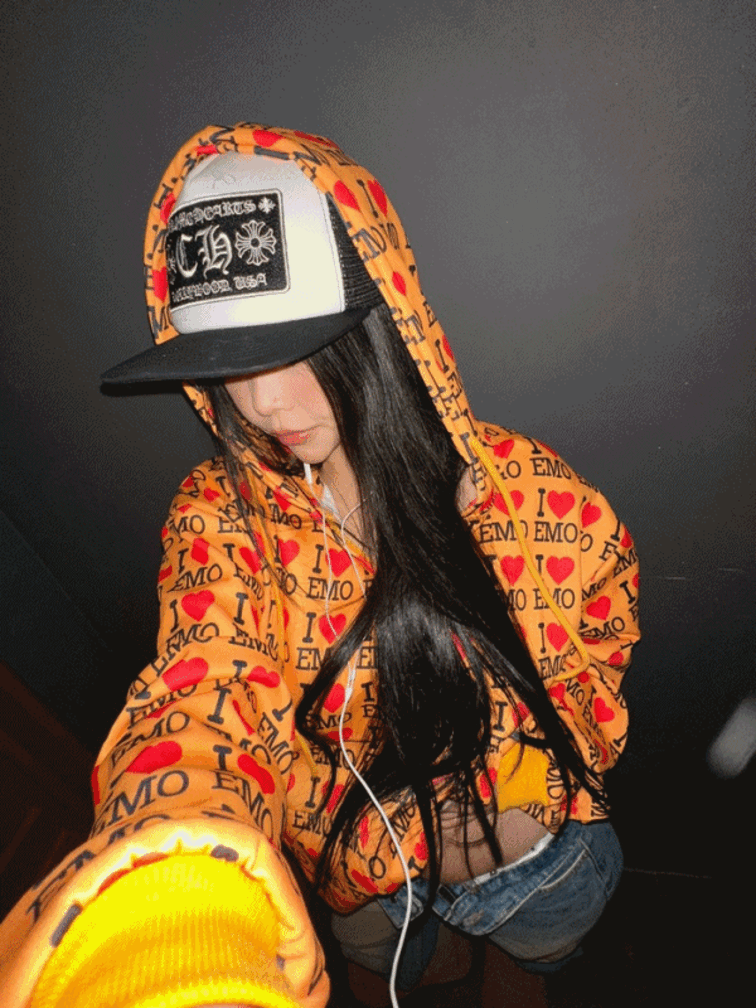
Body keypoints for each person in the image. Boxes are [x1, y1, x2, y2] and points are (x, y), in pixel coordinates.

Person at [0, 124, 638, 1008]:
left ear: (380, 321)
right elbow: (203, 691)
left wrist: (528, 800)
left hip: (527, 866)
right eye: (228, 362)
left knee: (532, 965)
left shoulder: (526, 496)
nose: (263, 400)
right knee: (394, 965)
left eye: (295, 346)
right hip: (362, 878)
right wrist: (164, 910)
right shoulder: (220, 516)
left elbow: (605, 629)